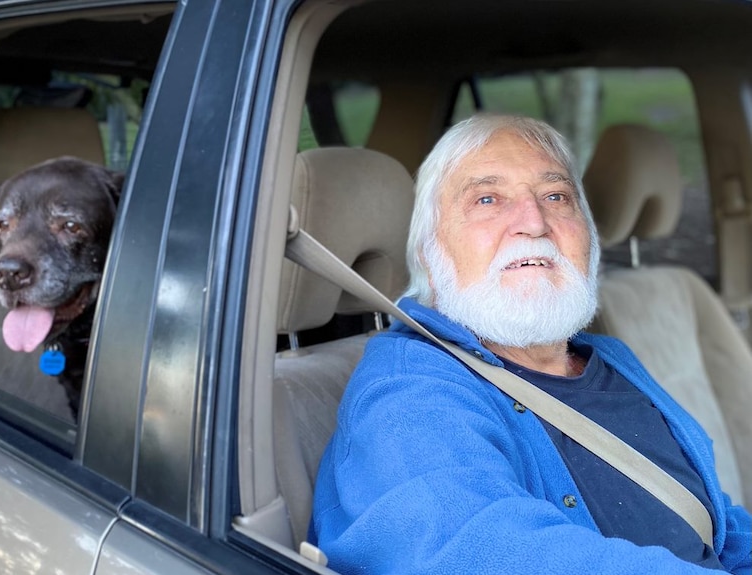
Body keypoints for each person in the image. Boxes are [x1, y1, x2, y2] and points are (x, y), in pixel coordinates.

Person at [309, 113, 752, 574]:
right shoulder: (410, 392)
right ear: (429, 251)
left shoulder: (611, 362)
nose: (534, 223)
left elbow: (719, 529)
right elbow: (477, 551)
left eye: (556, 196)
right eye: (487, 199)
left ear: (590, 239)